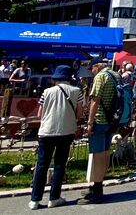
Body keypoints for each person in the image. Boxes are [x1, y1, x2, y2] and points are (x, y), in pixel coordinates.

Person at [29, 65, 83, 210]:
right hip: (66, 131)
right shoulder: (77, 91)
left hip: (47, 131)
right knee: (60, 164)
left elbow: (40, 113)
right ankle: (54, 197)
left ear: (56, 78)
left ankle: (35, 199)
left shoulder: (46, 92)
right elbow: (79, 113)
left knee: (42, 164)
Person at [78, 59, 120, 205]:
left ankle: (97, 190)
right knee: (106, 152)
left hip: (100, 119)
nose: (91, 72)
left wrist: (89, 122)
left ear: (97, 66)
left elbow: (95, 99)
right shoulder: (115, 74)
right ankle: (98, 184)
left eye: (91, 69)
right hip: (113, 120)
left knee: (97, 155)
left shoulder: (101, 77)